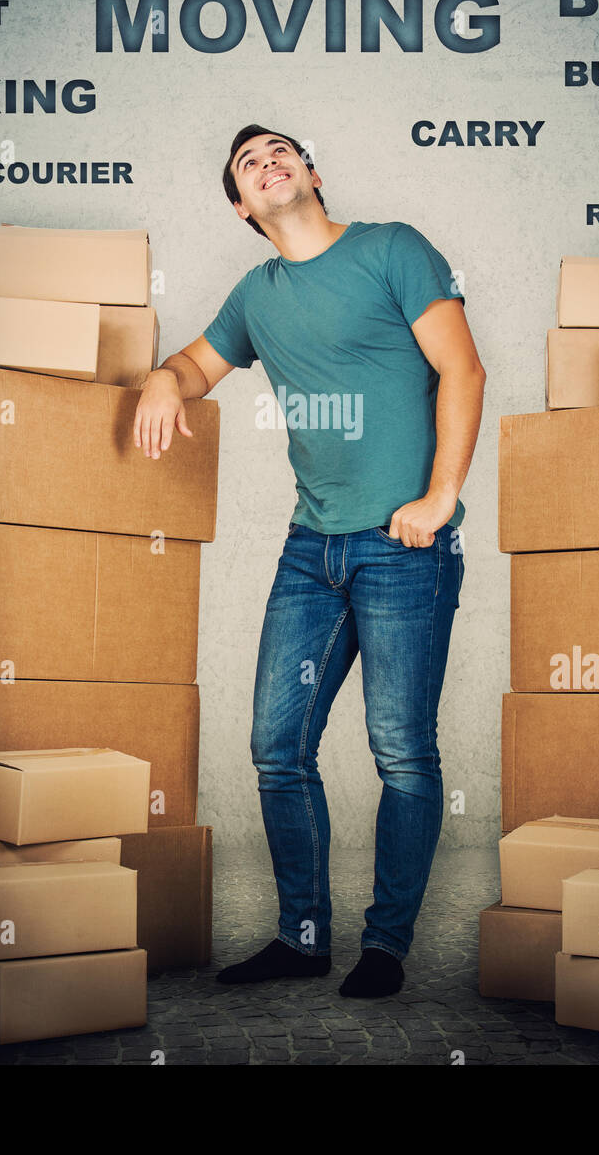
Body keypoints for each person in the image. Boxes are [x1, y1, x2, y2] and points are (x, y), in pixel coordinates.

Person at [133, 125, 486, 997]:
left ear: (313, 174)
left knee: (400, 750)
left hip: (404, 548)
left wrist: (439, 500)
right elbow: (192, 364)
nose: (266, 162)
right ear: (244, 208)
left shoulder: (391, 249)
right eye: (247, 165)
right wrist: (158, 382)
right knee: (275, 746)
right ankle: (300, 937)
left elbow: (463, 371)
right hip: (311, 553)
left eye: (279, 151)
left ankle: (385, 947)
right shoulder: (256, 296)